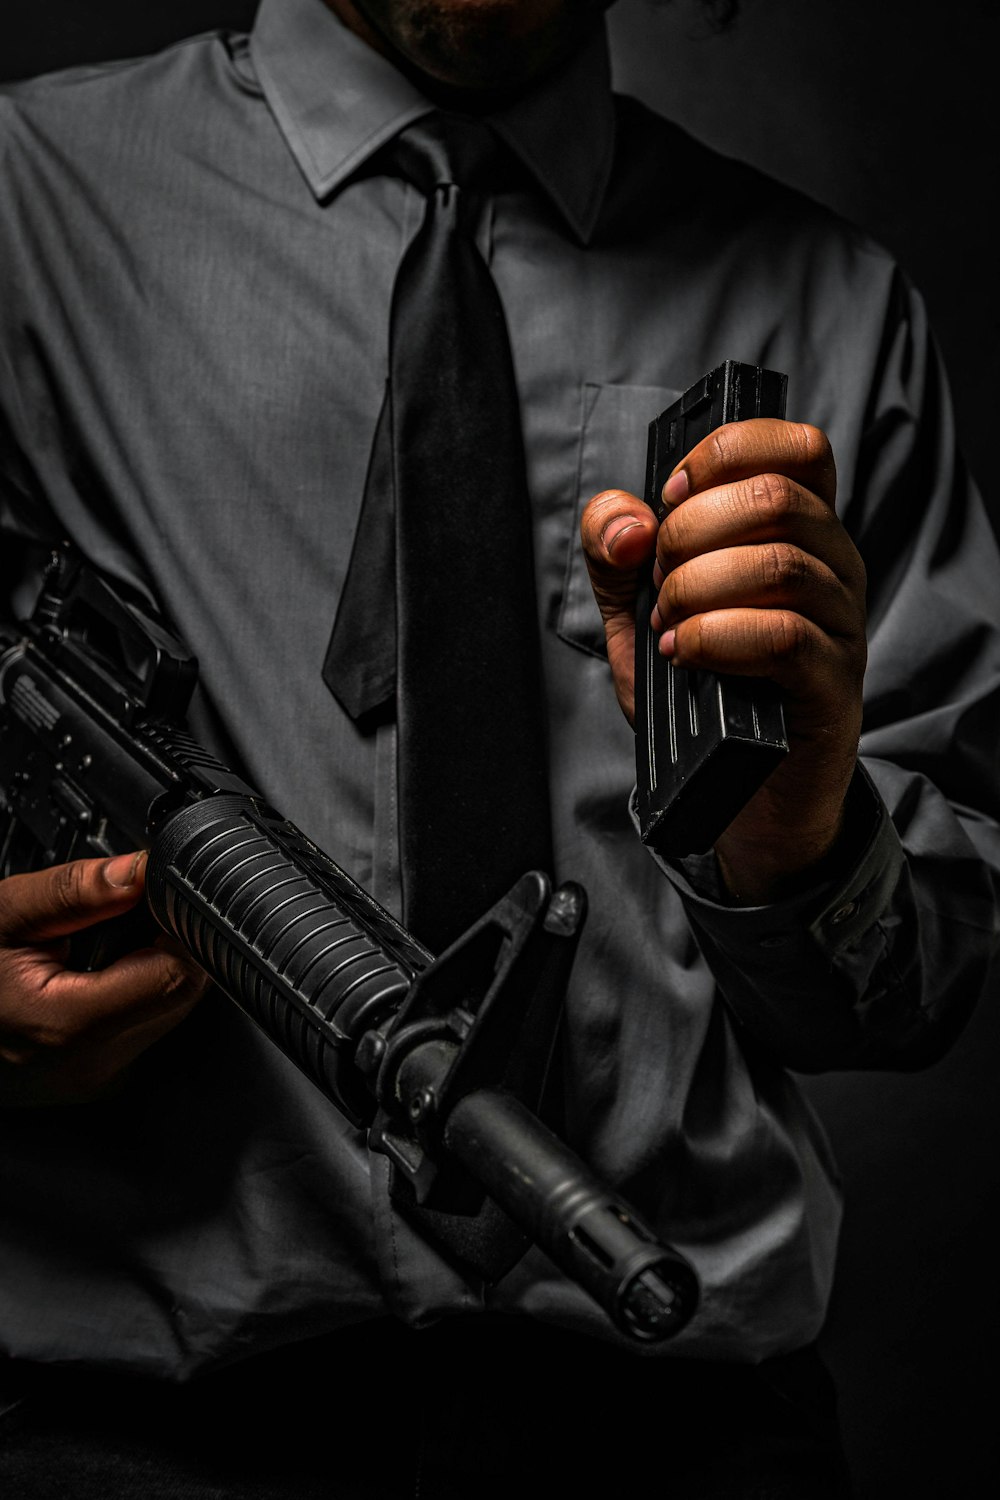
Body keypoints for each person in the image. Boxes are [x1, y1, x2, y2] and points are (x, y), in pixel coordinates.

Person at [0, 0, 997, 1495]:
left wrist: (804, 839)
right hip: (139, 1442)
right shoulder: (23, 200)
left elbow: (918, 988)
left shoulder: (835, 306)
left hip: (687, 1441)